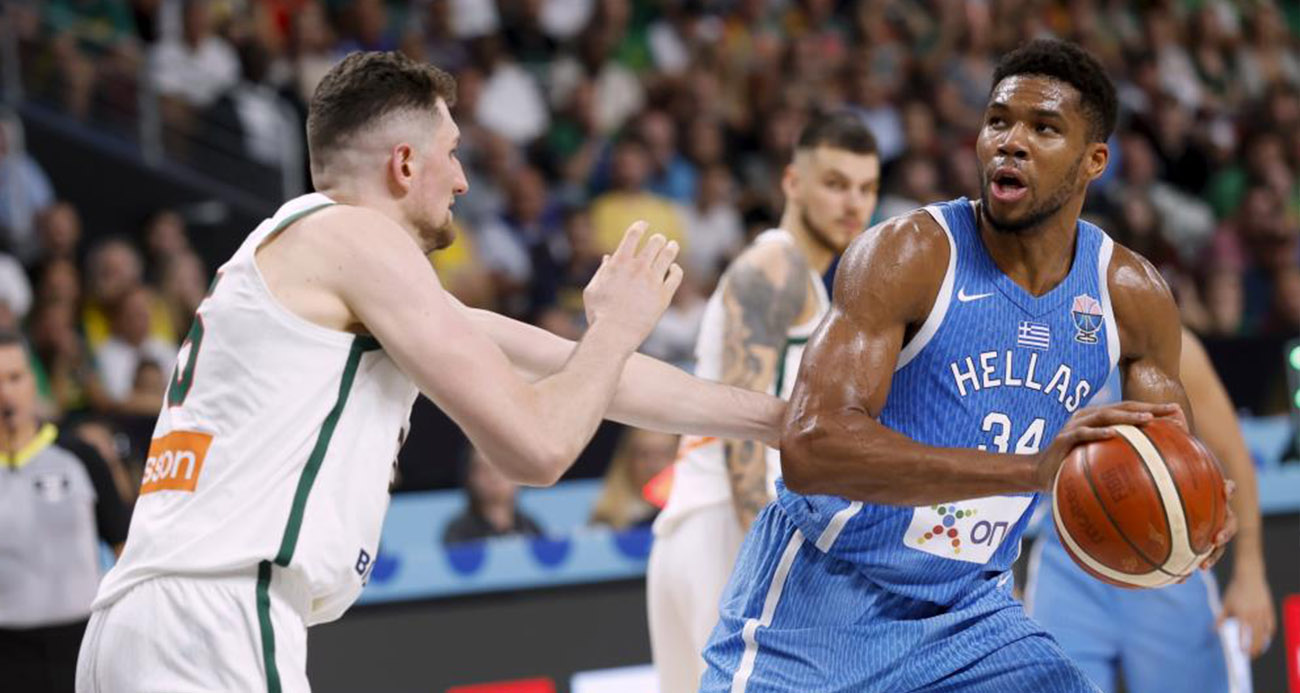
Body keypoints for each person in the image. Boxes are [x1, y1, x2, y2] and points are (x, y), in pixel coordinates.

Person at [76, 51, 784, 693]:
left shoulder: (323, 258)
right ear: (405, 165)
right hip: (214, 617)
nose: (464, 179)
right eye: (452, 153)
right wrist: (619, 324)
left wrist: (780, 420)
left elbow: (584, 371)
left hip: (149, 618)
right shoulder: (357, 238)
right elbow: (538, 447)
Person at [701, 39, 1235, 692]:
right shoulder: (909, 255)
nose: (1011, 142)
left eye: (1044, 129)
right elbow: (812, 448)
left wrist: (1194, 513)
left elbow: (1166, 454)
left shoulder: (1129, 291)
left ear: (1095, 160)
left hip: (970, 612)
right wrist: (1029, 471)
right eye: (998, 121)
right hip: (823, 601)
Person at [647, 112, 880, 692]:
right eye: (835, 183)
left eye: (866, 187)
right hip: (727, 527)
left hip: (694, 526)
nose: (853, 203)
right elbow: (739, 430)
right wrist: (767, 566)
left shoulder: (801, 279)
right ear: (792, 182)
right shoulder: (776, 267)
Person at [1025, 327, 1274, 693]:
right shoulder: (1028, 343)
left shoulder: (1168, 342)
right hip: (1071, 557)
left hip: (1165, 559)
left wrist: (1250, 572)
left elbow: (1234, 455)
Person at [0, 329, 130, 693]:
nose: (6, 393)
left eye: (15, 377)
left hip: (82, 646)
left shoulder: (80, 458)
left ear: (33, 382)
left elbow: (126, 552)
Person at [443, 448, 544, 544]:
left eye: (503, 468)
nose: (494, 476)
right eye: (484, 469)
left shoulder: (530, 527)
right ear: (470, 477)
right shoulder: (459, 532)